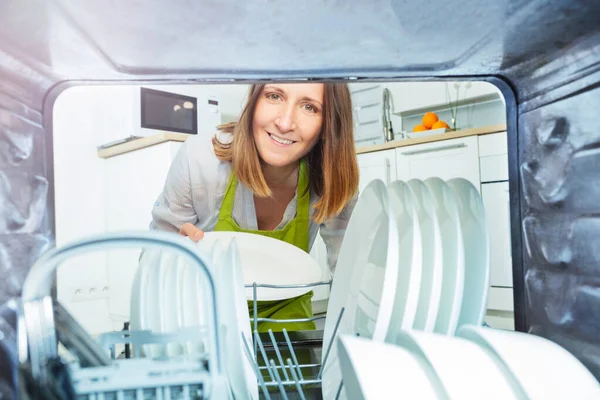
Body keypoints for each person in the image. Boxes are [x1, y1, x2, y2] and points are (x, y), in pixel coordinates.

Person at [150, 83, 359, 332]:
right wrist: (175, 258)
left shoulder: (331, 178)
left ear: (329, 125)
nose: (285, 122)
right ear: (254, 100)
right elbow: (151, 264)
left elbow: (351, 276)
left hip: (288, 323)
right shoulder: (200, 159)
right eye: (274, 96)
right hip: (204, 319)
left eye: (309, 107)